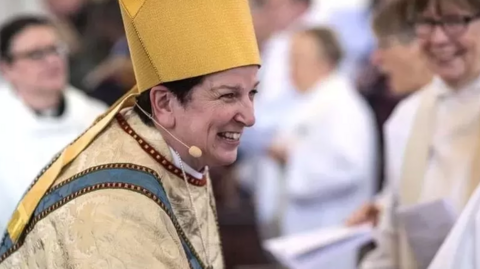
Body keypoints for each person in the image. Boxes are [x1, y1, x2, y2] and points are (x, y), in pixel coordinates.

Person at [0, 0, 260, 268]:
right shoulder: (114, 201)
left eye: (253, 92)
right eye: (228, 95)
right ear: (164, 104)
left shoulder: (171, 147)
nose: (251, 117)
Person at [360, 0, 480, 267]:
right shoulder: (407, 116)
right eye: (426, 22)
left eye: (455, 21)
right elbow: (392, 241)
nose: (438, 39)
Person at [0, 16, 107, 234]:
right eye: (36, 54)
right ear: (6, 68)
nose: (52, 61)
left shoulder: (97, 116)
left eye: (55, 49)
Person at [346, 0, 433, 227]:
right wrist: (384, 207)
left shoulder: (465, 113)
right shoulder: (405, 114)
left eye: (384, 45)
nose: (376, 58)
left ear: (420, 45)